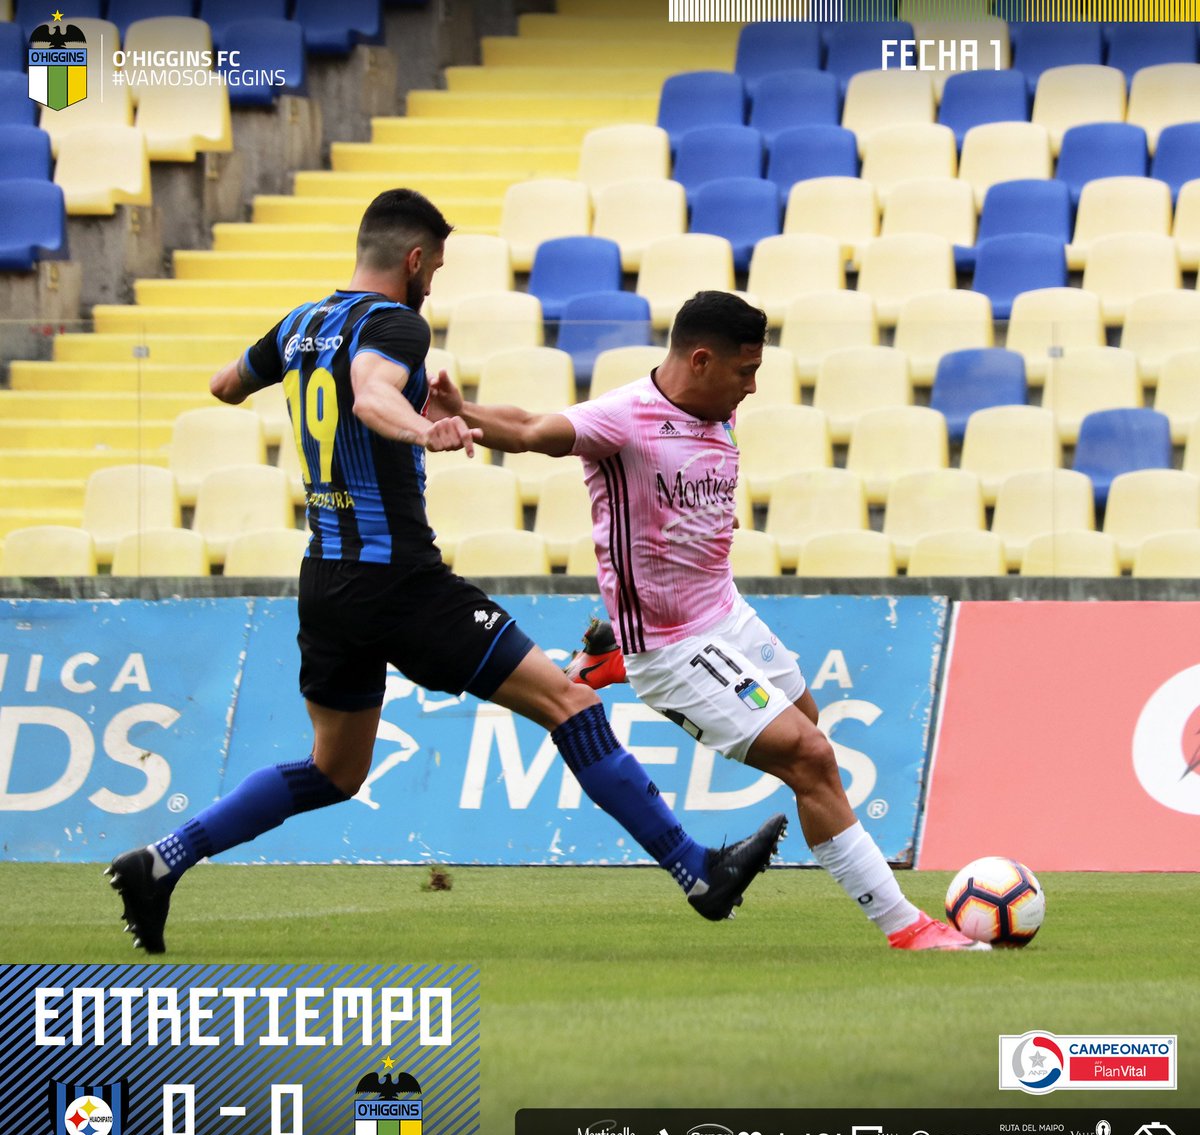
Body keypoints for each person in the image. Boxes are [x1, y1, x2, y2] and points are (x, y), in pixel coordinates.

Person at [106, 194, 786, 953]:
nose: (432, 281)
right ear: (414, 260)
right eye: (434, 266)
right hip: (399, 581)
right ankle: (698, 873)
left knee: (334, 771)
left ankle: (161, 861)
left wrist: (300, 373)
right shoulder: (396, 324)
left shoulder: (298, 324)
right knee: (569, 702)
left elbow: (224, 385)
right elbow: (370, 394)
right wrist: (421, 429)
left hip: (325, 581)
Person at [435, 290, 988, 951]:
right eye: (744, 371)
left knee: (807, 727)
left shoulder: (717, 410)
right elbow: (531, 429)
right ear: (700, 360)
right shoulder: (624, 419)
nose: (752, 388)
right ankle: (906, 927)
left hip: (726, 611)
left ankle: (609, 655)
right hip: (672, 647)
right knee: (811, 759)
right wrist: (462, 412)